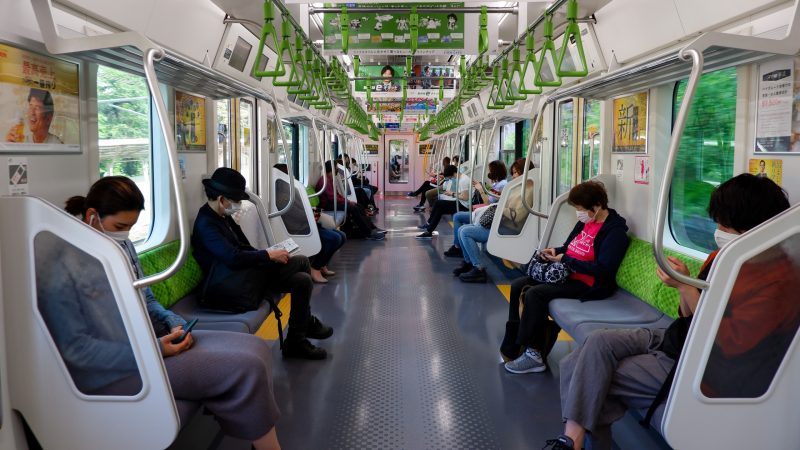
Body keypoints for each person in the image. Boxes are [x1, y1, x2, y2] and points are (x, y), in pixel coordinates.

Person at [543, 174, 796, 450]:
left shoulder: (779, 281)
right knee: (596, 344)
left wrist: (686, 287)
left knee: (583, 370)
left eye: (725, 224)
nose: (718, 230)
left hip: (704, 365)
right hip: (677, 337)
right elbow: (688, 316)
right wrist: (684, 284)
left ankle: (573, 442)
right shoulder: (722, 258)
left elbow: (727, 342)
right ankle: (577, 442)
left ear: (753, 227)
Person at [41, 177, 280, 449]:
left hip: (146, 342)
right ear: (92, 216)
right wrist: (155, 349)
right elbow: (77, 351)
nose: (125, 236)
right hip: (116, 369)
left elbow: (146, 297)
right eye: (119, 227)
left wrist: (173, 322)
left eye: (130, 228)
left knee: (256, 348)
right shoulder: (61, 269)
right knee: (247, 367)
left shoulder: (120, 246)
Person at [192, 167, 333, 360]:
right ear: (222, 199)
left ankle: (296, 341)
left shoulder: (223, 217)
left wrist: (270, 254)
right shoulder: (206, 224)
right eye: (236, 201)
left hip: (241, 276)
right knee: (301, 261)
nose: (238, 205)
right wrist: (267, 256)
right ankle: (305, 325)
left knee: (303, 281)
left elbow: (244, 247)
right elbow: (232, 258)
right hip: (226, 285)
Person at [502, 181, 629, 373]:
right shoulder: (585, 222)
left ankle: (534, 355)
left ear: (596, 206)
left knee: (535, 294)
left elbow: (604, 269)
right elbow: (568, 247)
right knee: (518, 285)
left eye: (580, 208)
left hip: (588, 283)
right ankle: (514, 341)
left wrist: (567, 260)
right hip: (568, 272)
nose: (578, 213)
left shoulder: (615, 232)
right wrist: (555, 251)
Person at [444, 159, 508, 259]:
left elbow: (488, 203)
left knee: (462, 226)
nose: (489, 172)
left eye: (490, 170)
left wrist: (481, 190)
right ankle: (458, 247)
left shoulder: (502, 185)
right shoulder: (497, 184)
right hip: (487, 210)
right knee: (457, 216)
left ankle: (461, 250)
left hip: (491, 215)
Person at [316, 161, 385, 240]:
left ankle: (372, 227)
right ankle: (368, 233)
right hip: (328, 205)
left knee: (359, 206)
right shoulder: (324, 181)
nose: (337, 169)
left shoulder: (330, 179)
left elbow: (337, 195)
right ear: (332, 169)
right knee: (354, 208)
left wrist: (347, 201)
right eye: (336, 168)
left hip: (333, 202)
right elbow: (332, 198)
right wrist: (347, 202)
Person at [415, 164, 470, 239]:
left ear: (453, 173)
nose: (450, 179)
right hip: (460, 202)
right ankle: (429, 229)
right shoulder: (460, 179)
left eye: (450, 177)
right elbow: (463, 194)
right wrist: (452, 193)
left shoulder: (463, 180)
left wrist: (452, 194)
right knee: (438, 205)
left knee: (439, 204)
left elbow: (465, 197)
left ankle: (429, 228)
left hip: (464, 205)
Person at [309, 207, 346, 284]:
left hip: (313, 224)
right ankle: (315, 267)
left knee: (342, 236)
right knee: (335, 238)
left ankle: (322, 264)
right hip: (302, 226)